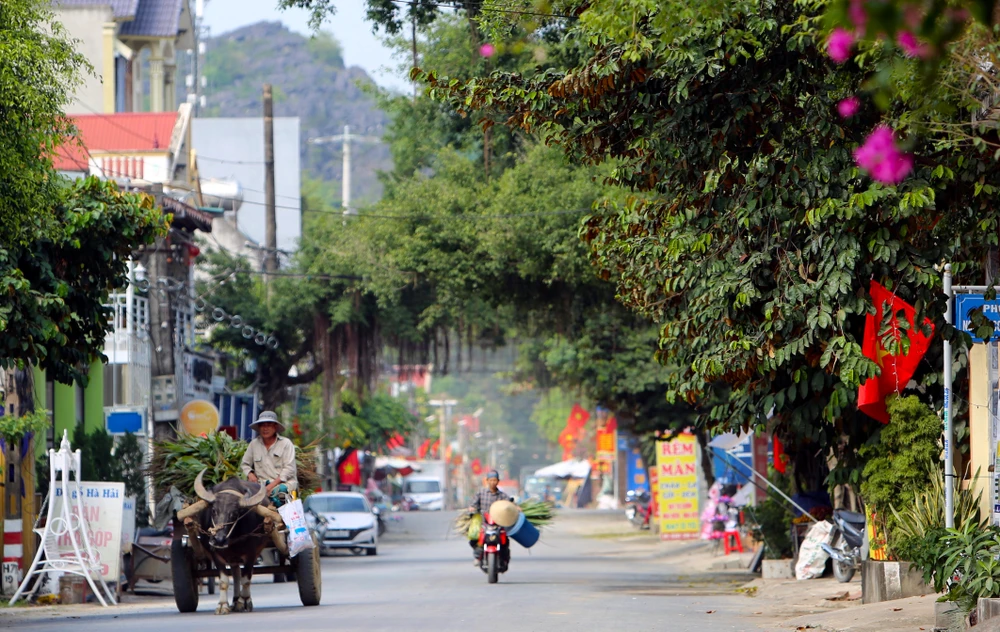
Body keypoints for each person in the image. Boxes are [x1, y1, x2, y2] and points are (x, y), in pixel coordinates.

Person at [240, 410, 297, 508]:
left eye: (269, 425)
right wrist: (250, 474)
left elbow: (289, 469)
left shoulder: (286, 444)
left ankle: (282, 518)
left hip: (283, 485)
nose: (265, 428)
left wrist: (271, 486)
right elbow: (244, 464)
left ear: (275, 427)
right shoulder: (254, 444)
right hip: (260, 486)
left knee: (278, 492)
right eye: (262, 425)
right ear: (259, 428)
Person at [467, 470, 509, 565]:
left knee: (505, 541)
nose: (493, 482)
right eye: (491, 480)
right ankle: (478, 556)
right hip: (484, 523)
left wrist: (514, 507)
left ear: (498, 481)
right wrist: (472, 508)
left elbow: (509, 504)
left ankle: (504, 559)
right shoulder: (481, 493)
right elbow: (473, 503)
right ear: (487, 481)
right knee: (474, 539)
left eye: (495, 480)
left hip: (498, 523)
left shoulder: (502, 495)